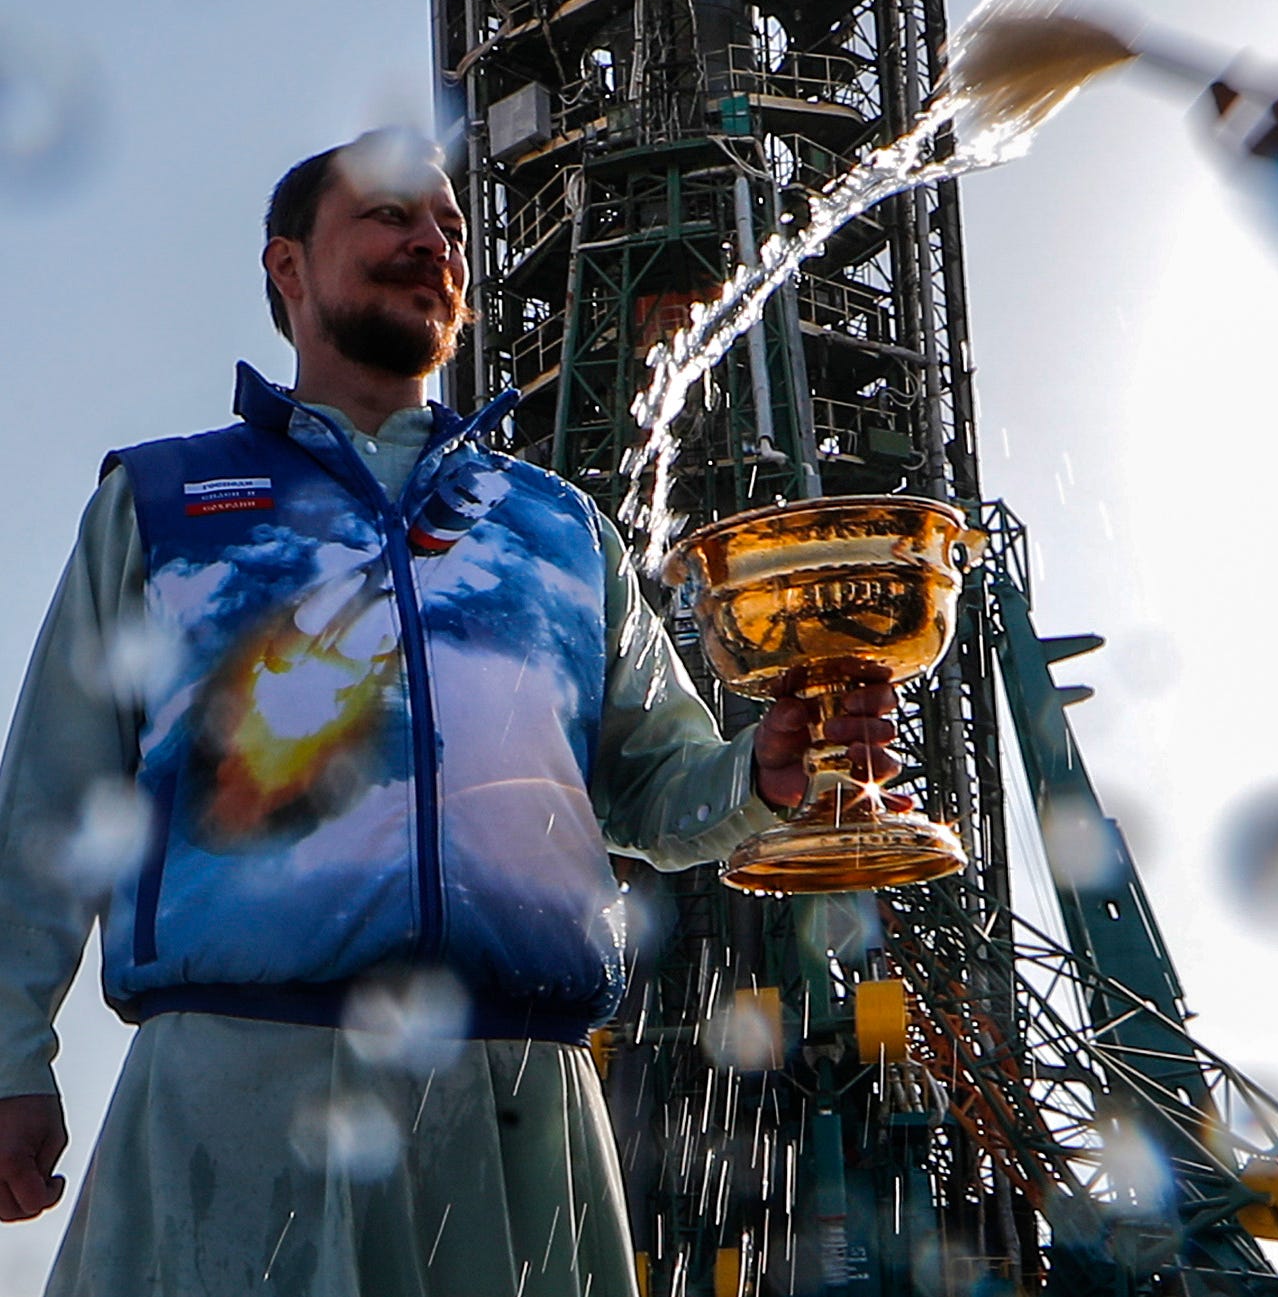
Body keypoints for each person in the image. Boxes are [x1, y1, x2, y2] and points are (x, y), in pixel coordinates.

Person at [0, 128, 898, 1295]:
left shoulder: (559, 531)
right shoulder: (165, 501)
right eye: (387, 216)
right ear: (288, 265)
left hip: (520, 1106)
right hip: (237, 1081)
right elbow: (52, 800)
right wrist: (14, 1058)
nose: (431, 242)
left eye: (452, 229)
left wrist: (763, 773)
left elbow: (650, 784)